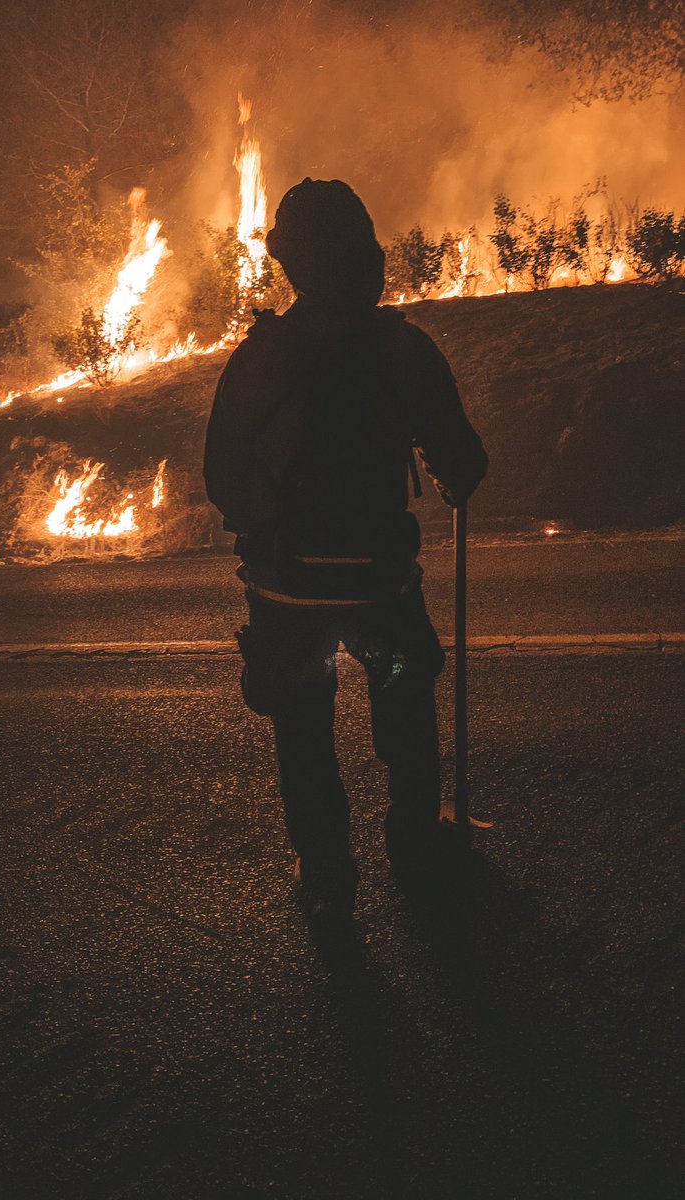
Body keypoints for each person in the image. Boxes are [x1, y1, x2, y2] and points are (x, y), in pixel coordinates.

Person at [203, 179, 487, 920]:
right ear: (365, 253)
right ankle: (418, 855)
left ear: (292, 265)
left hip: (288, 593)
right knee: (404, 716)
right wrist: (450, 473)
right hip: (380, 593)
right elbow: (463, 460)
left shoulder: (259, 359)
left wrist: (273, 524)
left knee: (303, 734)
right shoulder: (403, 352)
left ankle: (327, 878)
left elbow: (222, 475)